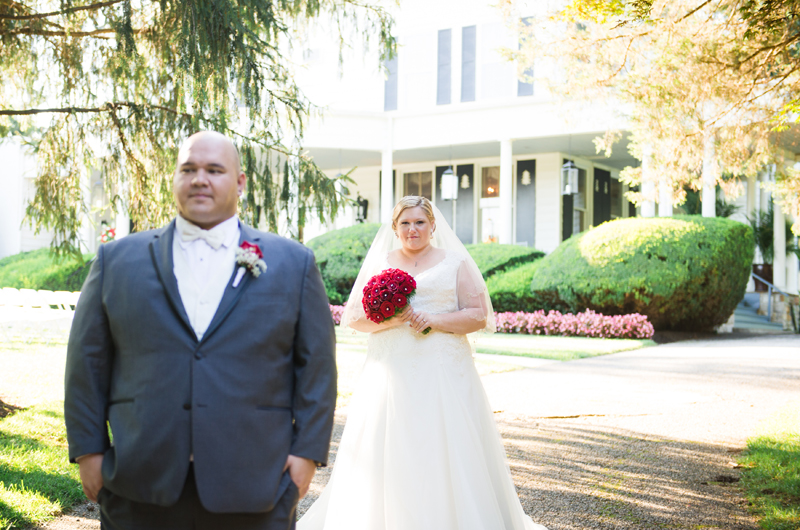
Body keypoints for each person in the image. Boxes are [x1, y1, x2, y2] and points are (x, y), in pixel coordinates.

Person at [64, 131, 337, 530]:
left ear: (240, 182)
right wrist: (89, 452)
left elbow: (316, 368)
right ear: (174, 178)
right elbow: (86, 364)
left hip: (256, 486)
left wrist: (306, 457)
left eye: (214, 169)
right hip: (139, 484)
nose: (199, 179)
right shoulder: (116, 260)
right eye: (188, 169)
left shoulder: (293, 263)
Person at [298, 196, 548, 530]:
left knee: (445, 448)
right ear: (394, 227)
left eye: (419, 222)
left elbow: (477, 315)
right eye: (405, 223)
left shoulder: (455, 263)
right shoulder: (380, 262)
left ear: (432, 225)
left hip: (442, 373)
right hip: (391, 371)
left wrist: (432, 319)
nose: (412, 229)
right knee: (390, 447)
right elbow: (355, 318)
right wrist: (395, 319)